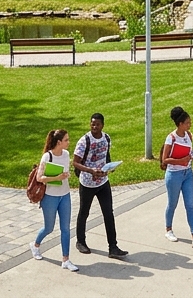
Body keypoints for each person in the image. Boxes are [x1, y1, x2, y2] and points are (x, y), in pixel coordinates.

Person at [73, 112, 127, 258]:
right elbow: (75, 162)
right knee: (84, 212)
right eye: (92, 124)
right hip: (87, 183)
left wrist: (109, 168)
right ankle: (80, 241)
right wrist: (91, 170)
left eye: (97, 124)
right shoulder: (84, 141)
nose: (94, 126)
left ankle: (113, 247)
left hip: (103, 182)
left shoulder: (106, 138)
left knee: (108, 213)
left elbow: (106, 156)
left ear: (102, 125)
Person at [32, 128, 78, 271]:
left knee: (66, 228)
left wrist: (66, 175)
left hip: (65, 195)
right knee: (49, 227)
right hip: (50, 197)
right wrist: (56, 178)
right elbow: (40, 178)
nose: (68, 142)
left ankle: (66, 260)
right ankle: (35, 246)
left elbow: (65, 171)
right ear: (59, 142)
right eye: (66, 140)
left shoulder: (66, 154)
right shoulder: (47, 157)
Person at [161, 106, 193, 248]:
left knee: (190, 205)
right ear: (180, 124)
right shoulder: (171, 138)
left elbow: (189, 153)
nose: (189, 125)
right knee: (172, 203)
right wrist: (180, 160)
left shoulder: (189, 135)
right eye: (187, 123)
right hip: (174, 174)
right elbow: (164, 160)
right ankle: (168, 229)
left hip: (188, 173)